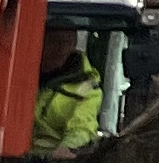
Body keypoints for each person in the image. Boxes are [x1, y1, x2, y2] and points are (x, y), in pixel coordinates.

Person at [29, 24, 105, 153]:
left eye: (67, 43)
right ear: (38, 39)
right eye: (53, 41)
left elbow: (82, 127)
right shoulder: (14, 72)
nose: (60, 49)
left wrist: (68, 148)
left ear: (73, 46)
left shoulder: (87, 88)